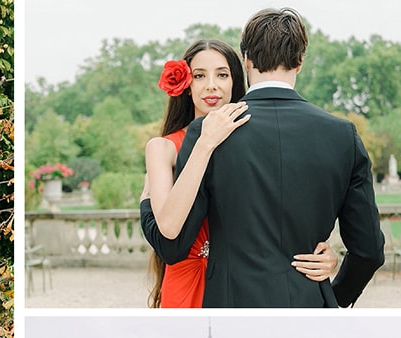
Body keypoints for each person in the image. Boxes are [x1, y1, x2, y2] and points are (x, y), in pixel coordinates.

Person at [151, 8, 384, 308]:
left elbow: (176, 242)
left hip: (230, 309)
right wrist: (333, 295)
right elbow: (369, 252)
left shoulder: (208, 132)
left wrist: (148, 200)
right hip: (309, 304)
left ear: (245, 60)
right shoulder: (343, 135)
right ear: (300, 61)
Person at [140, 39, 338, 307]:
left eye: (222, 74)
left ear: (236, 80)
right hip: (187, 283)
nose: (211, 85)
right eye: (199, 75)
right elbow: (169, 228)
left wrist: (324, 254)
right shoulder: (162, 148)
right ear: (187, 85)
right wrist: (205, 143)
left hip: (240, 285)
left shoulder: (256, 142)